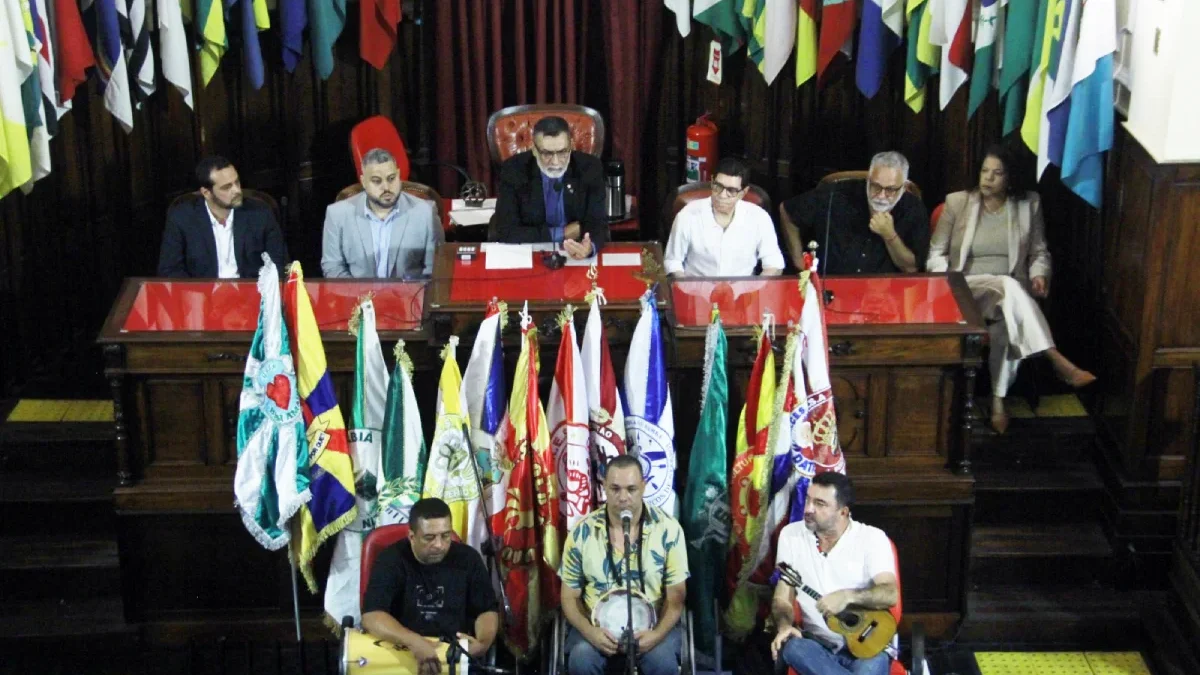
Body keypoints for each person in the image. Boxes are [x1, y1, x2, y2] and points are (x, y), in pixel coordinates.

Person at [928, 143, 1095, 433]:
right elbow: (935, 253)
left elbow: (1039, 252)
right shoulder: (957, 202)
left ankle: (996, 402)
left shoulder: (1028, 205)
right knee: (1006, 285)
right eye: (984, 171)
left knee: (1006, 324)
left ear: (1011, 178)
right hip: (965, 291)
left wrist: (1039, 274)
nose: (987, 179)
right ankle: (1053, 356)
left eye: (997, 173)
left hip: (1009, 296)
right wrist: (947, 282)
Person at [560, 454, 689, 675]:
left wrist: (655, 636)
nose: (623, 497)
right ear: (604, 488)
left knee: (663, 664)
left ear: (643, 487)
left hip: (653, 628)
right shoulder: (582, 532)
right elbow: (568, 597)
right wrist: (590, 632)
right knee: (582, 659)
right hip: (595, 630)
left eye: (631, 489)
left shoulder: (669, 529)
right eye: (615, 489)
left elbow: (676, 599)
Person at [771, 473, 898, 675]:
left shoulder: (872, 539)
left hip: (866, 646)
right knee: (793, 647)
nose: (808, 509)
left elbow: (890, 594)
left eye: (820, 504)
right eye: (808, 499)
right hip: (816, 645)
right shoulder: (790, 535)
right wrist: (785, 625)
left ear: (843, 512)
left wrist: (848, 596)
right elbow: (782, 597)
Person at [361, 498, 499, 675]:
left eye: (445, 535)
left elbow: (486, 609)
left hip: (453, 655)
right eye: (429, 537)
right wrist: (414, 641)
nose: (439, 545)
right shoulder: (391, 559)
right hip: (401, 652)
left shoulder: (468, 559)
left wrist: (483, 643)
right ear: (412, 536)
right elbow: (372, 616)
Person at [780, 152, 928, 275]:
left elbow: (911, 268)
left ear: (902, 188)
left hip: (884, 296)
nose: (882, 196)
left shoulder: (913, 208)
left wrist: (889, 235)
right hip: (832, 288)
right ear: (868, 180)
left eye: (890, 190)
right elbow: (787, 211)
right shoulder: (835, 195)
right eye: (876, 186)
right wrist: (798, 260)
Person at [493, 115, 607, 259]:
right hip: (531, 255)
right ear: (534, 149)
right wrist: (561, 233)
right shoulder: (513, 170)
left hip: (575, 254)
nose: (555, 162)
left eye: (562, 152)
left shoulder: (590, 168)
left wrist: (589, 247)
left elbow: (598, 222)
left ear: (571, 146)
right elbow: (506, 230)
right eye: (547, 153)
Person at [321, 148, 443, 278]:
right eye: (376, 181)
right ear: (363, 182)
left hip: (409, 296)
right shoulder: (337, 214)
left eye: (391, 178)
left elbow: (435, 270)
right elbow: (332, 268)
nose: (386, 187)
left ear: (398, 174)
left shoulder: (426, 213)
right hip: (358, 297)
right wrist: (363, 297)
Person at [157, 156, 288, 278]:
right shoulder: (181, 218)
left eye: (236, 182)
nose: (236, 190)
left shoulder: (260, 213)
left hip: (251, 295)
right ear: (206, 193)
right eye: (226, 187)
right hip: (203, 297)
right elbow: (169, 271)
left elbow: (280, 265)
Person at [663, 157, 785, 277]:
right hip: (698, 292)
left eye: (731, 191)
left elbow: (774, 264)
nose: (722, 195)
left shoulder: (759, 218)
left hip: (743, 293)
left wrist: (757, 292)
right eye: (718, 186)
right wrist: (686, 291)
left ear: (743, 193)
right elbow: (673, 262)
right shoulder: (688, 215)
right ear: (712, 182)